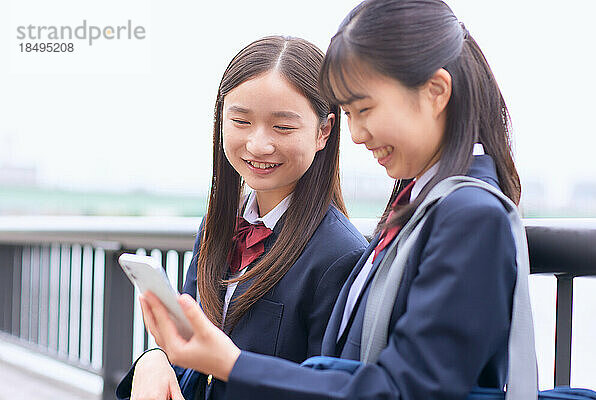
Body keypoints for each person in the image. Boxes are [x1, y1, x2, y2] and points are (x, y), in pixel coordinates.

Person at [138, 0, 523, 398]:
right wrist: (156, 358)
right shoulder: (427, 206)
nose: (356, 135)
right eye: (351, 113)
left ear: (436, 92)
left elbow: (409, 388)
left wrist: (232, 364)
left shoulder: (470, 215)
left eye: (366, 108)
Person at [116, 35, 367, 400]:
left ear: (324, 131)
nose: (258, 144)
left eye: (282, 127)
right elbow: (189, 350)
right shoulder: (218, 227)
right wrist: (155, 358)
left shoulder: (339, 255)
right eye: (240, 120)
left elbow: (327, 390)